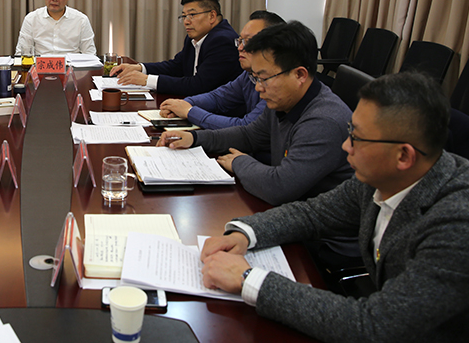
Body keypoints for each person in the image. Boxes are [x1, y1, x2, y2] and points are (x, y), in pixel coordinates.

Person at [199, 72, 469, 342]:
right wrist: (245, 233)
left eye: (357, 138)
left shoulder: (457, 224)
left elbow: (377, 326)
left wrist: (248, 279)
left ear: (403, 156)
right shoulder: (382, 177)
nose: (345, 146)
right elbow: (313, 214)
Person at [158, 21, 353, 206]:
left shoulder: (323, 121)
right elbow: (249, 135)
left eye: (264, 78)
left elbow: (279, 188)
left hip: (318, 224)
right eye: (256, 77)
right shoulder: (283, 100)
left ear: (299, 75)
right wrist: (194, 138)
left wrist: (239, 162)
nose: (258, 88)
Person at [159, 10, 285, 129]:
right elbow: (218, 98)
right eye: (240, 41)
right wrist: (184, 104)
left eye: (249, 42)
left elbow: (247, 127)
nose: (240, 48)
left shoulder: (277, 82)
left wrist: (189, 111)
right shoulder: (248, 75)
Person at [111, 0, 241, 96]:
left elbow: (199, 85)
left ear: (212, 16)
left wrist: (147, 80)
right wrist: (140, 68)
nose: (186, 22)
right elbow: (176, 66)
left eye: (192, 15)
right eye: (184, 16)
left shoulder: (223, 41)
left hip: (218, 111)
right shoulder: (195, 37)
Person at [15, 0, 97, 55]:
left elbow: (89, 54)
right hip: (41, 63)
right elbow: (21, 53)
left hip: (71, 63)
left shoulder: (81, 20)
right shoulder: (31, 19)